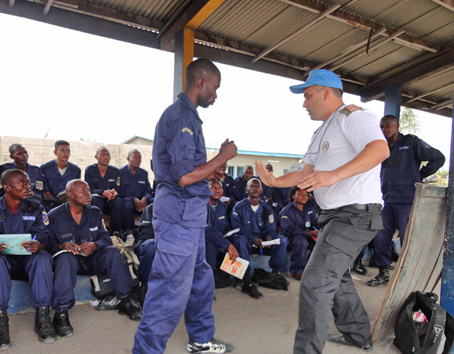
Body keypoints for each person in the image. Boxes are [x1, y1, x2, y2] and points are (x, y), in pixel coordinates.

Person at [255, 69, 389, 353]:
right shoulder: (322, 131)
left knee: (315, 283)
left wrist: (334, 175)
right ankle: (358, 335)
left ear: (326, 93)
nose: (304, 103)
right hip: (335, 216)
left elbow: (379, 149)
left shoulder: (354, 116)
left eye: (307, 95)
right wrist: (276, 181)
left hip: (354, 215)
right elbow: (306, 172)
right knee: (335, 277)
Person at [133, 58, 237, 354]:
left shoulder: (189, 116)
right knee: (169, 291)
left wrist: (211, 170)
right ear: (200, 82)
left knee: (200, 279)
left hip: (191, 217)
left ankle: (201, 340)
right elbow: (184, 177)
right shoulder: (181, 118)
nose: (216, 95)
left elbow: (191, 169)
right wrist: (222, 157)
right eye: (215, 88)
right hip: (178, 216)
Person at [48, 179, 141, 338]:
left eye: (88, 190)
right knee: (65, 258)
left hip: (93, 259)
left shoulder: (95, 212)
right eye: (82, 191)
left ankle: (125, 300)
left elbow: (105, 238)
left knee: (111, 251)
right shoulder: (55, 215)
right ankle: (61, 314)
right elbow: (47, 244)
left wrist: (95, 245)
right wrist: (61, 246)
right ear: (70, 195)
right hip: (70, 263)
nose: (88, 194)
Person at [367, 114, 445, 287]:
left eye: (388, 126)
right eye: (382, 127)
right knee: (381, 237)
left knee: (406, 238)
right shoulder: (382, 147)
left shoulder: (411, 143)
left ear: (397, 126)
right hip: (386, 200)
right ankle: (383, 272)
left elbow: (439, 157)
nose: (385, 129)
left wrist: (419, 175)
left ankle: (407, 276)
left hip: (406, 200)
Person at [0, 169, 56, 348]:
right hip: (4, 261)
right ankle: (1, 322)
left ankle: (42, 317)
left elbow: (44, 237)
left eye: (28, 182)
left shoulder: (36, 207)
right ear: (7, 187)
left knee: (43, 257)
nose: (27, 186)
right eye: (22, 183)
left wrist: (37, 245)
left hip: (27, 260)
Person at [230, 178, 289, 298]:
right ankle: (245, 279)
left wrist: (268, 238)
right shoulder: (238, 207)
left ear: (261, 190)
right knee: (239, 239)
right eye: (252, 186)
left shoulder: (267, 208)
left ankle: (275, 274)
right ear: (246, 190)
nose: (255, 188)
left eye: (257, 187)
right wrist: (252, 239)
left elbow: (271, 227)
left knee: (282, 240)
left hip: (262, 244)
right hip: (247, 244)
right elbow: (237, 228)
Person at [279, 186, 318, 280]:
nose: (304, 196)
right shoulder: (287, 211)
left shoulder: (309, 208)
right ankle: (297, 271)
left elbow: (316, 222)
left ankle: (312, 270)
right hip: (291, 237)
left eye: (306, 194)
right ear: (293, 196)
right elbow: (287, 230)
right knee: (301, 242)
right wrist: (309, 233)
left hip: (308, 235)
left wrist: (320, 230)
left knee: (322, 241)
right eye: (300, 194)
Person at [85, 147, 123, 235]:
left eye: (108, 155)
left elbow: (118, 187)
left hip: (110, 200)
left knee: (119, 202)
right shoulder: (90, 170)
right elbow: (88, 188)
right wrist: (102, 192)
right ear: (96, 157)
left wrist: (114, 192)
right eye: (103, 155)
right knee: (95, 201)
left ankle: (116, 232)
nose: (106, 157)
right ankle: (96, 231)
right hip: (97, 199)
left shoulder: (115, 171)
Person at [205, 179, 239, 272]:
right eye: (213, 187)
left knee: (239, 240)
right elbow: (207, 229)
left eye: (220, 187)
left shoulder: (222, 206)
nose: (217, 190)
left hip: (220, 239)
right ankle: (209, 277)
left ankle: (242, 279)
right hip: (206, 240)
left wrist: (232, 233)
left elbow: (225, 226)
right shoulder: (201, 205)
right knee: (212, 244)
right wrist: (227, 245)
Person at [119, 149, 153, 234]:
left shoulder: (144, 173)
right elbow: (120, 191)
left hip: (142, 203)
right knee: (127, 204)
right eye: (135, 157)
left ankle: (151, 231)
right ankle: (129, 233)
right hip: (129, 203)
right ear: (128, 158)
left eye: (139, 157)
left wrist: (145, 198)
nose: (138, 159)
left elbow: (148, 189)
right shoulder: (120, 172)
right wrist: (134, 199)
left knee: (154, 202)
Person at [41, 140, 81, 207]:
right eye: (62, 150)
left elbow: (75, 191)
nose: (66, 153)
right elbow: (46, 192)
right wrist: (57, 203)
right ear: (55, 152)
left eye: (68, 151)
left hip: (69, 205)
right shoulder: (45, 168)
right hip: (50, 204)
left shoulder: (76, 170)